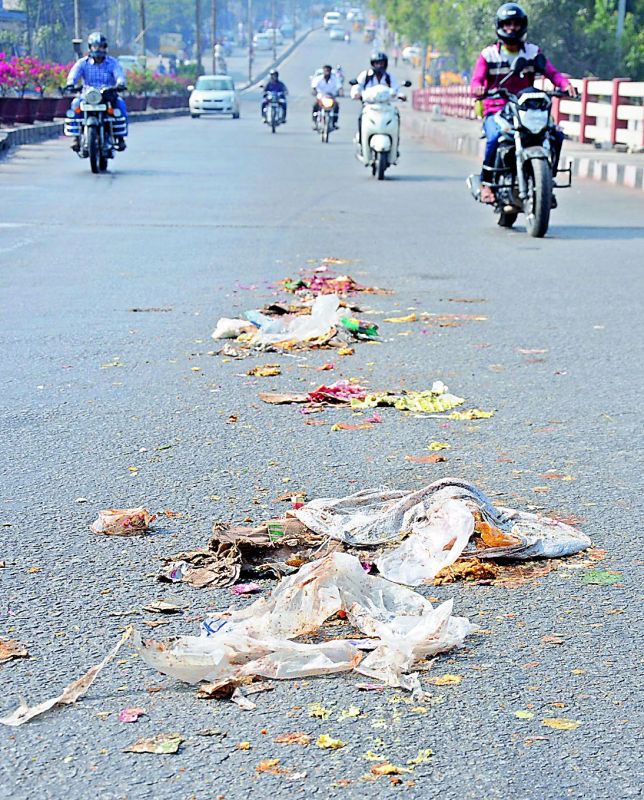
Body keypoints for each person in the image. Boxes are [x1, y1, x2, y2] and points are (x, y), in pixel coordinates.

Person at [471, 3, 577, 204]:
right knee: (495, 137)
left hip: (527, 107)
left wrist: (565, 85)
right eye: (508, 24)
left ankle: (547, 180)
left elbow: (552, 72)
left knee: (555, 134)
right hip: (498, 108)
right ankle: (487, 183)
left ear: (523, 26)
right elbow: (477, 79)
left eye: (516, 24)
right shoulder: (489, 55)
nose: (512, 28)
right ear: (500, 26)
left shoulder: (532, 52)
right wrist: (478, 88)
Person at [65, 31, 128, 151]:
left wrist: (120, 83)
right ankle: (76, 137)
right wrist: (70, 84)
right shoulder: (83, 63)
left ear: (105, 48)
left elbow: (119, 75)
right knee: (75, 104)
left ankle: (120, 138)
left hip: (107, 95)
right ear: (90, 47)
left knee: (120, 105)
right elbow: (73, 74)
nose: (98, 49)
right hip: (88, 95)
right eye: (95, 46)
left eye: (101, 46)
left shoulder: (112, 63)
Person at [352, 51, 401, 142]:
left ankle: (395, 141)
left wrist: (400, 96)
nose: (379, 66)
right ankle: (362, 139)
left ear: (385, 64)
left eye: (381, 63)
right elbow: (357, 86)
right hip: (369, 106)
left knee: (396, 116)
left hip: (386, 107)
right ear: (373, 64)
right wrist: (356, 94)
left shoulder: (389, 77)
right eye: (377, 63)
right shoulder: (365, 75)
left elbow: (396, 89)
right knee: (361, 118)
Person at [311, 64, 342, 128]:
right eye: (325, 71)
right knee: (315, 105)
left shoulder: (335, 79)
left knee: (336, 106)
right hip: (321, 96)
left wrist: (341, 92)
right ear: (323, 71)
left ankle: (334, 122)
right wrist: (314, 91)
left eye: (328, 71)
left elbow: (339, 87)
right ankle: (315, 121)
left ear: (330, 71)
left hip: (331, 96)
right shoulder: (318, 79)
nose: (327, 72)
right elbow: (314, 86)